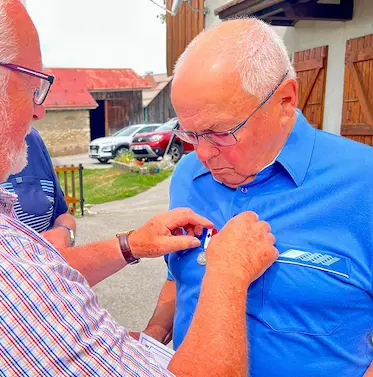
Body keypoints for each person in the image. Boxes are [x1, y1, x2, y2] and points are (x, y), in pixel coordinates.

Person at [0, 2, 278, 376]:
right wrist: (228, 273)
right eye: (34, 86)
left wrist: (128, 245)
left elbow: (17, 283)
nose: (39, 111)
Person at [143, 18, 373, 377]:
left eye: (219, 132)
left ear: (285, 100)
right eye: (189, 133)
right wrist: (155, 334)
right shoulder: (188, 176)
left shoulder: (364, 181)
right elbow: (180, 277)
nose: (201, 153)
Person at [2, 128, 77, 249]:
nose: (40, 114)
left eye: (38, 107)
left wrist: (65, 231)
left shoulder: (31, 138)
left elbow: (62, 214)